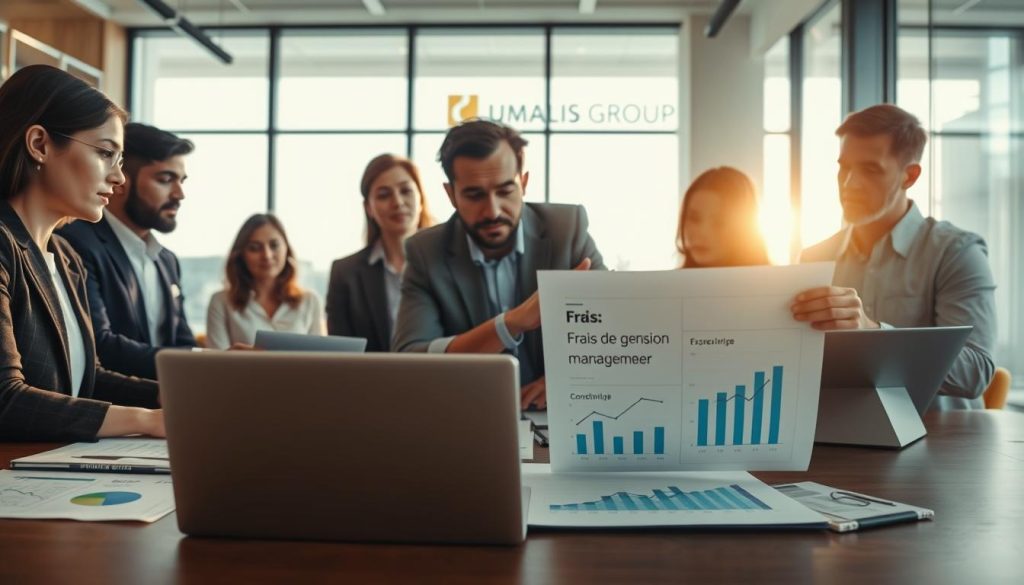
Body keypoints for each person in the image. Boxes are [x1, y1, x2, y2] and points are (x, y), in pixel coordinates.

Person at [791, 104, 997, 409]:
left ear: (910, 176)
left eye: (869, 170)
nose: (848, 184)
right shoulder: (815, 258)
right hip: (840, 434)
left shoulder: (957, 253)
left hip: (939, 444)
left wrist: (872, 333)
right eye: (843, 167)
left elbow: (976, 371)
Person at [392, 120, 605, 410]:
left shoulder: (567, 230)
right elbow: (410, 360)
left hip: (560, 416)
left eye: (505, 190)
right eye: (474, 195)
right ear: (451, 194)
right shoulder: (425, 252)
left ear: (524, 183)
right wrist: (511, 323)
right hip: (469, 416)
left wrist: (568, 380)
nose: (492, 210)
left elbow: (617, 338)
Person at [0, 65, 164, 440]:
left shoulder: (65, 256)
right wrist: (148, 420)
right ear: (40, 144)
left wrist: (177, 393)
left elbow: (86, 382)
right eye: (106, 153)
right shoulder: (4, 246)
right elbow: (5, 400)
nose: (119, 178)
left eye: (120, 161)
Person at [58, 123, 196, 379]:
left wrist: (214, 362)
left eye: (182, 180)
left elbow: (182, 341)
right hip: (113, 408)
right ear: (121, 181)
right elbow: (101, 345)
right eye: (165, 179)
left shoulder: (167, 261)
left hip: (170, 405)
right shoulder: (76, 243)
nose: (180, 194)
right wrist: (201, 361)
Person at [326, 154, 434, 351]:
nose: (398, 202)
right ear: (368, 208)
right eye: (384, 195)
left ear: (421, 199)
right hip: (369, 380)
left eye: (406, 191)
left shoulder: (446, 263)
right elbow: (340, 355)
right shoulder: (345, 273)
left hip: (441, 379)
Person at [206, 213, 325, 349]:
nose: (267, 255)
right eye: (254, 248)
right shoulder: (221, 301)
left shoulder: (310, 301)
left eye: (274, 245)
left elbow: (319, 360)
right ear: (241, 255)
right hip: (241, 371)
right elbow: (217, 364)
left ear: (287, 249)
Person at [676, 166, 770, 268]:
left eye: (719, 222)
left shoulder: (774, 282)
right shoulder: (668, 283)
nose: (702, 232)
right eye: (694, 219)